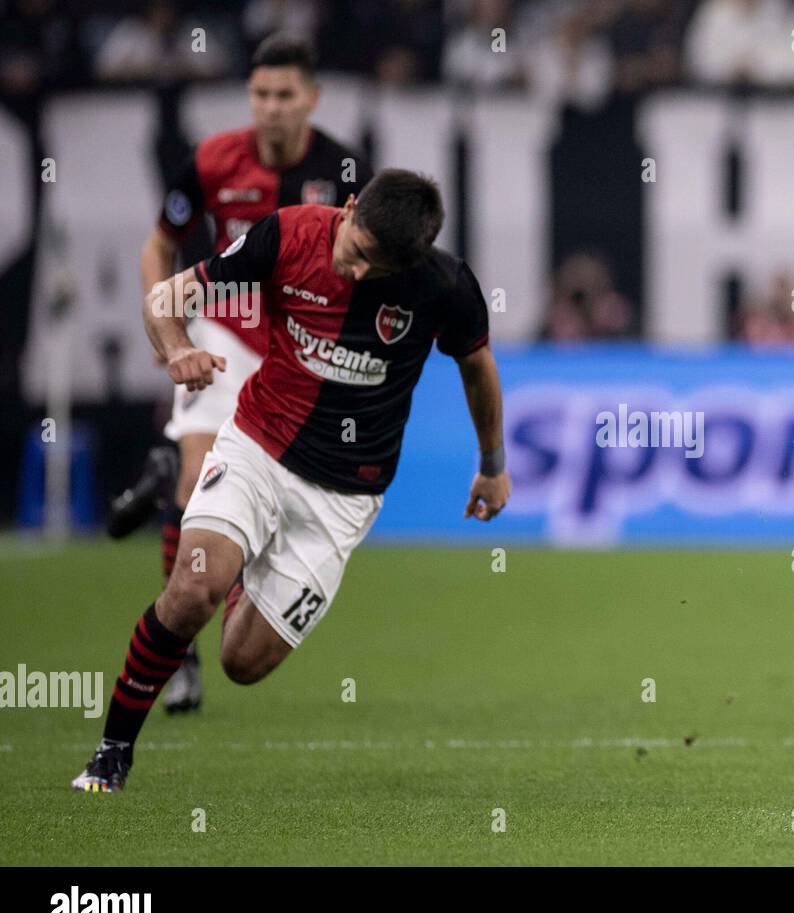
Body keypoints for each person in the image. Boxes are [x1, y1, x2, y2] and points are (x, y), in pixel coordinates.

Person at [72, 169, 510, 792]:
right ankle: (111, 753)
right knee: (194, 591)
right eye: (356, 252)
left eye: (378, 269)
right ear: (349, 206)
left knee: (243, 663)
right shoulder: (286, 235)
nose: (358, 273)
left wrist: (493, 465)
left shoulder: (443, 284)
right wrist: (174, 352)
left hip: (344, 496)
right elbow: (167, 298)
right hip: (257, 445)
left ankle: (237, 553)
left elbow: (477, 368)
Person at [107, 33, 372, 714]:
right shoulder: (212, 159)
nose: (272, 108)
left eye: (286, 95)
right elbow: (161, 243)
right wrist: (164, 329)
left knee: (249, 507)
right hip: (223, 332)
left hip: (295, 353)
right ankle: (183, 658)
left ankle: (166, 477)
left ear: (311, 98)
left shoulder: (345, 171)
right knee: (200, 485)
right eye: (261, 94)